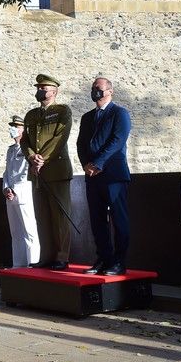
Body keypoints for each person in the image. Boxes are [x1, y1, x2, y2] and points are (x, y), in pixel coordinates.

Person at [76, 77, 133, 276]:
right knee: (97, 219)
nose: (95, 91)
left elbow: (117, 141)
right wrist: (86, 165)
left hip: (113, 175)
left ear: (109, 91)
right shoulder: (87, 117)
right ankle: (104, 258)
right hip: (92, 175)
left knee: (119, 219)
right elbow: (81, 144)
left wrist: (99, 163)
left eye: (98, 88)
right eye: (93, 88)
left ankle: (119, 261)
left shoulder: (119, 113)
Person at [21, 74, 73, 270]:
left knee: (60, 216)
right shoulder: (31, 115)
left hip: (56, 169)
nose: (40, 90)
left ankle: (61, 257)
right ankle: (46, 256)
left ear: (54, 91)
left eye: (44, 88)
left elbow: (61, 136)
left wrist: (42, 159)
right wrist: (31, 156)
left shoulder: (62, 111)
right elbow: (25, 140)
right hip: (36, 172)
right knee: (42, 216)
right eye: (39, 87)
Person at [2, 116, 39, 268]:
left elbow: (26, 172)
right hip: (10, 194)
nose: (12, 129)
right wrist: (6, 188)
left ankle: (33, 263)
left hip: (23, 192)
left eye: (16, 126)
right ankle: (18, 264)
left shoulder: (28, 148)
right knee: (16, 232)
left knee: (29, 230)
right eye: (12, 126)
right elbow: (7, 172)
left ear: (23, 129)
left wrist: (14, 189)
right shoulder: (11, 150)